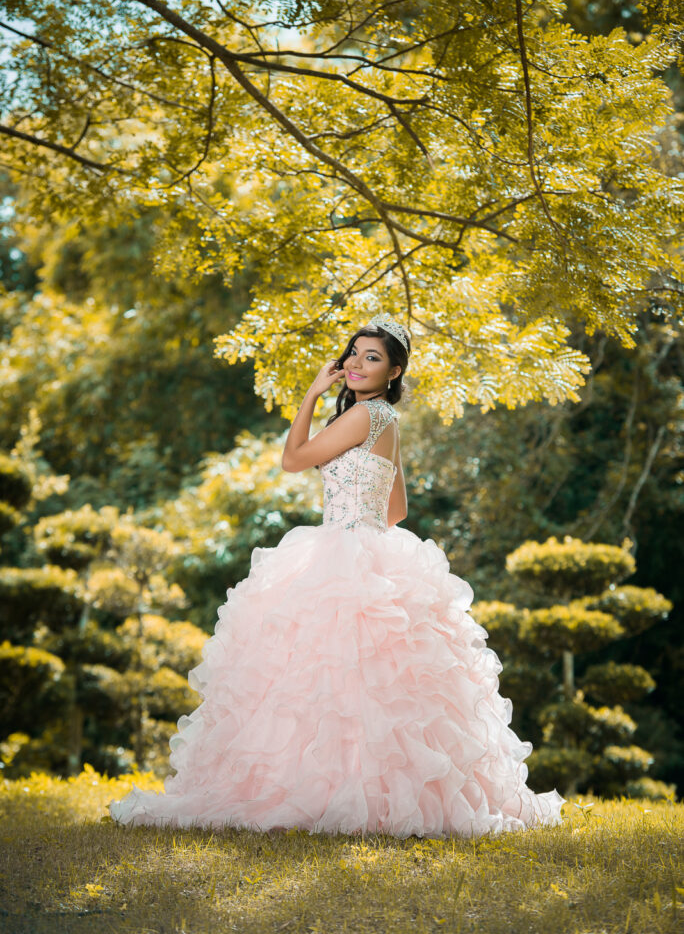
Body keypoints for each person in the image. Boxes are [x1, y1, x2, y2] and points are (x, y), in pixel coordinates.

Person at [109, 313, 564, 837]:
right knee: (363, 686)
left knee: (323, 681)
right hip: (369, 546)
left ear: (394, 372)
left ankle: (323, 794)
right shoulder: (385, 424)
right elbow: (397, 511)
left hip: (343, 550)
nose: (355, 364)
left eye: (372, 358)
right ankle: (366, 795)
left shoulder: (364, 417)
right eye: (354, 353)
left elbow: (293, 459)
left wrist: (310, 393)